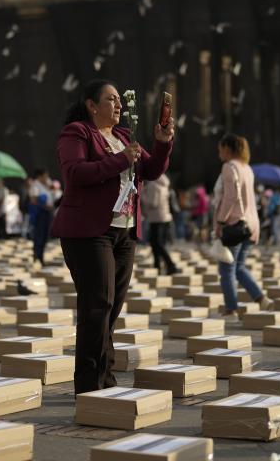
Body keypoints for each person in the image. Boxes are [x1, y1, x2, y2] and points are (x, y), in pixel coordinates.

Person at [51, 79, 174, 394]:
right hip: (89, 233)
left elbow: (152, 170)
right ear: (92, 105)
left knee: (111, 307)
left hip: (124, 233)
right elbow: (76, 173)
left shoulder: (123, 136)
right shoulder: (77, 132)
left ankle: (105, 379)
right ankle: (91, 385)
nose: (119, 105)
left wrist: (161, 143)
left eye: (120, 100)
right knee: (97, 305)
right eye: (111, 99)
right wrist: (122, 159)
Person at [213, 133, 271, 318]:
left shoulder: (229, 167)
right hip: (251, 224)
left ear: (228, 149)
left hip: (234, 224)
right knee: (238, 267)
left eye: (220, 148)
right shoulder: (247, 168)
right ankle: (261, 298)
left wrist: (221, 221)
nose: (219, 152)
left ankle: (231, 309)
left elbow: (231, 196)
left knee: (227, 268)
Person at [142, 173, 178, 274]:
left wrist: (142, 194)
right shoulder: (163, 184)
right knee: (158, 244)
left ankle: (170, 265)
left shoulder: (153, 185)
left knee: (157, 244)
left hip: (156, 218)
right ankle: (157, 266)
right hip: (165, 217)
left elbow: (152, 203)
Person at [29, 168, 55, 266]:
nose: (47, 178)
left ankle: (41, 257)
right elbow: (34, 200)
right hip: (40, 214)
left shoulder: (45, 185)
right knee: (39, 236)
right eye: (45, 175)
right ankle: (37, 258)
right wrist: (46, 207)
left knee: (44, 237)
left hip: (47, 213)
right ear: (40, 176)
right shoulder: (35, 185)